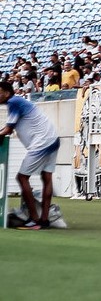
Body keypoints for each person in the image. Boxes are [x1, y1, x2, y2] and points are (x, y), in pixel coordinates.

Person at [1, 78, 63, 229]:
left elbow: (8, 129)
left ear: (7, 93)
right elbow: (9, 128)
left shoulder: (13, 102)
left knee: (22, 177)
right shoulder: (18, 102)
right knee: (46, 177)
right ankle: (44, 220)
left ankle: (34, 219)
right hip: (53, 139)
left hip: (41, 143)